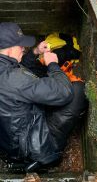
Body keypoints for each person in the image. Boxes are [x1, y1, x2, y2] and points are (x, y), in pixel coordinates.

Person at [0, 22, 89, 172]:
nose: (24, 48)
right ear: (9, 50)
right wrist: (53, 64)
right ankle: (47, 156)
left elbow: (19, 70)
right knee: (77, 91)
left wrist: (35, 52)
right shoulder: (14, 79)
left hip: (9, 136)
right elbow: (64, 93)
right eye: (20, 46)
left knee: (35, 71)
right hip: (30, 147)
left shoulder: (5, 69)